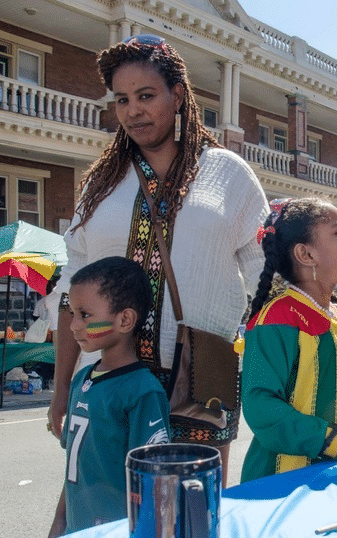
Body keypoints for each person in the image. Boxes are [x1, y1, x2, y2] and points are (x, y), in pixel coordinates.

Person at [47, 34, 268, 485]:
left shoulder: (228, 174)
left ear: (178, 95)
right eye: (122, 99)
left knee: (194, 513)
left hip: (200, 387)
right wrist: (61, 389)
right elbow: (71, 290)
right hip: (109, 383)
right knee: (105, 512)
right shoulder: (102, 185)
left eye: (146, 96)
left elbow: (268, 282)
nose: (133, 110)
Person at [240, 198, 337, 482]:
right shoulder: (277, 318)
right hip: (282, 483)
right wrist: (335, 441)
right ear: (306, 255)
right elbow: (260, 405)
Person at [48, 256, 170, 537]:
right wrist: (59, 525)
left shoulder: (143, 392)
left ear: (125, 319)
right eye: (73, 314)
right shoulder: (82, 379)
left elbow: (153, 482)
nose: (73, 325)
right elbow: (73, 471)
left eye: (85, 315)